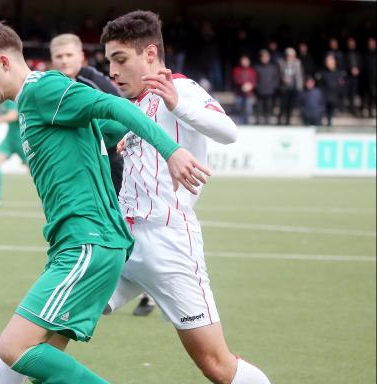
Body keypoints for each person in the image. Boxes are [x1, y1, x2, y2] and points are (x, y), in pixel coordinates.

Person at [0, 18, 209, 384]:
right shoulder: (33, 103)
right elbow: (109, 125)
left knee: (15, 348)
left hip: (87, 242)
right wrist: (111, 140)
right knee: (27, 361)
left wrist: (171, 151)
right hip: (76, 244)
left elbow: (116, 107)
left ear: (5, 63)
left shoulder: (44, 90)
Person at [101, 11, 271, 384]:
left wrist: (178, 104)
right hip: (122, 241)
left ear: (149, 53)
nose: (112, 71)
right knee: (47, 324)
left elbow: (228, 132)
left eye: (120, 59)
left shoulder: (182, 89)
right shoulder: (135, 104)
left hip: (168, 242)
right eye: (109, 60)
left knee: (216, 365)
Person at [50, 33, 156, 317]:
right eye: (58, 57)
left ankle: (147, 288)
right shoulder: (54, 86)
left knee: (124, 222)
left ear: (81, 57)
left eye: (69, 56)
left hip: (112, 161)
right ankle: (89, 284)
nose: (63, 61)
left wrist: (122, 138)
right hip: (86, 166)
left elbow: (124, 108)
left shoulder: (93, 80)